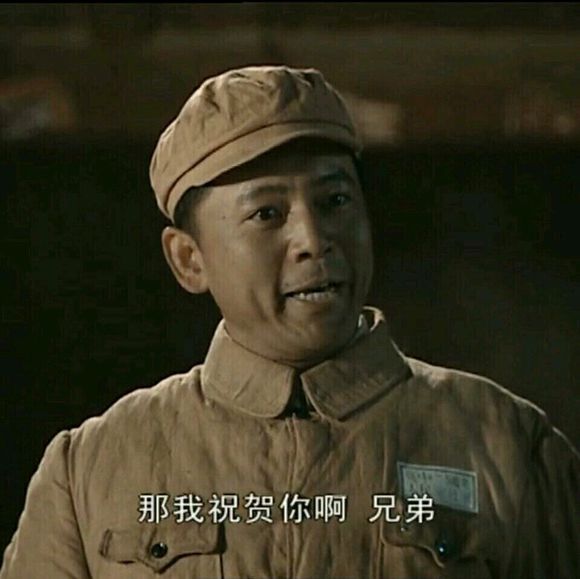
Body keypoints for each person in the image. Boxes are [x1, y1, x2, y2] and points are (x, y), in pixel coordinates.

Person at [1, 65, 578, 579]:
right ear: (189, 259)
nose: (313, 239)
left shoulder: (508, 447)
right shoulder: (90, 471)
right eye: (267, 213)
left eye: (335, 202)